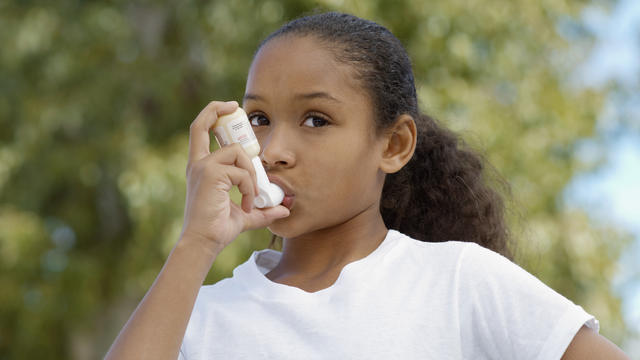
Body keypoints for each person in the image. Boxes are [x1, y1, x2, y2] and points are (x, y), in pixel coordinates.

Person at [105, 12, 629, 360]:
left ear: (395, 145)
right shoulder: (196, 319)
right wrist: (195, 244)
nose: (272, 150)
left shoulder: (459, 283)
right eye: (259, 118)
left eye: (316, 120)